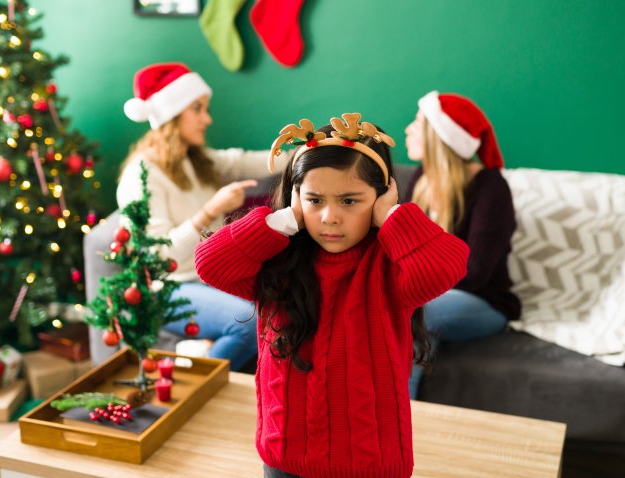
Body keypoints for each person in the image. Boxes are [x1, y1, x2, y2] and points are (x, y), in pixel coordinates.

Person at [195, 113, 469, 478]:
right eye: (314, 200)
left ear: (382, 196)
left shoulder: (391, 266)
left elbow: (447, 266)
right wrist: (285, 219)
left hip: (371, 465)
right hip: (283, 458)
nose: (329, 216)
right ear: (296, 197)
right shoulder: (278, 261)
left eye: (350, 201)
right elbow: (210, 263)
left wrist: (393, 218)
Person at [117, 62, 281, 371]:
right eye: (198, 109)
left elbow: (242, 161)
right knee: (247, 324)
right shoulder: (141, 176)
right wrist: (210, 211)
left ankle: (203, 355)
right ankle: (194, 371)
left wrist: (302, 154)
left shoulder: (192, 159)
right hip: (169, 287)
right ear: (172, 114)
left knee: (282, 306)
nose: (207, 119)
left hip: (212, 275)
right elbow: (158, 257)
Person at [404, 91, 522, 398]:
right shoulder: (421, 179)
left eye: (417, 123)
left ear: (437, 134)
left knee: (410, 311)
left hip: (483, 300)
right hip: (427, 296)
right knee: (410, 328)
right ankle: (399, 424)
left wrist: (413, 278)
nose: (408, 130)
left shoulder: (491, 187)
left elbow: (475, 272)